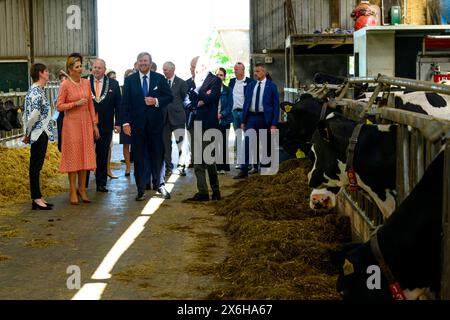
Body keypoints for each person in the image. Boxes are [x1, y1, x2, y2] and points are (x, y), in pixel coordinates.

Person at [121, 52, 173, 201]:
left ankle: (160, 184)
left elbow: (169, 96)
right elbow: (125, 103)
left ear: (150, 63)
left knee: (157, 155)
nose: (143, 63)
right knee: (139, 158)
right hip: (137, 127)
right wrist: (125, 123)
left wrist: (156, 100)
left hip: (156, 126)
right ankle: (141, 189)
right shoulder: (130, 80)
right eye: (140, 61)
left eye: (145, 61)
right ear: (137, 63)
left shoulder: (159, 78)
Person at [57, 53, 100, 205]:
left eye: (81, 66)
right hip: (71, 125)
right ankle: (72, 191)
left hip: (86, 124)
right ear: (70, 69)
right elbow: (59, 106)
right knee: (74, 157)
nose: (80, 69)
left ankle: (83, 189)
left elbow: (90, 105)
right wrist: (75, 104)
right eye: (77, 67)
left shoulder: (86, 83)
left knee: (85, 156)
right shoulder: (65, 85)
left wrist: (94, 124)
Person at [185, 56, 221, 202]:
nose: (194, 69)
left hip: (208, 124)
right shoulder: (188, 83)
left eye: (197, 66)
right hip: (193, 123)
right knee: (197, 159)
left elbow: (211, 98)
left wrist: (197, 94)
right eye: (192, 66)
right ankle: (203, 192)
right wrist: (198, 101)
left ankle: (216, 190)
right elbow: (186, 102)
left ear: (205, 66)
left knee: (208, 158)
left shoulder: (215, 80)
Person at [234, 63, 279, 179]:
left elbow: (276, 106)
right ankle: (244, 169)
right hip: (251, 118)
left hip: (264, 118)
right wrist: (243, 120)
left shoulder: (271, 86)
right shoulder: (251, 85)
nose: (255, 73)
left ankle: (265, 168)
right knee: (247, 142)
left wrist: (274, 124)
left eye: (258, 71)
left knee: (265, 143)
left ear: (264, 72)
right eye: (255, 71)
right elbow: (246, 104)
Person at [22, 63, 56, 210]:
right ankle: (36, 198)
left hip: (40, 132)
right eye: (46, 71)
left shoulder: (38, 90)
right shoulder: (36, 91)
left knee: (37, 166)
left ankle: (38, 196)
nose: (48, 73)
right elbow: (32, 115)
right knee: (35, 166)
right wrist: (27, 133)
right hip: (38, 133)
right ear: (41, 73)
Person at [88, 59, 122, 192]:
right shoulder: (85, 82)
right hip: (88, 124)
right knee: (87, 153)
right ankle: (83, 184)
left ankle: (101, 183)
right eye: (94, 67)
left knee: (102, 154)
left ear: (104, 69)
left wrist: (118, 123)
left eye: (99, 68)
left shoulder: (113, 84)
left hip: (106, 124)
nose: (96, 70)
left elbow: (118, 106)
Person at [162, 61, 188, 177]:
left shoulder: (181, 83)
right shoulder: (161, 82)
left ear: (172, 70)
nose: (164, 72)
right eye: (163, 70)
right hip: (164, 118)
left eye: (165, 70)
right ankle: (168, 167)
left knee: (180, 143)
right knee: (166, 144)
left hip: (178, 117)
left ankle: (181, 166)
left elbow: (184, 98)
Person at [228, 62, 255, 170]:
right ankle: (241, 162)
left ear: (243, 70)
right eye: (234, 69)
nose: (235, 71)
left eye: (237, 70)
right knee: (238, 136)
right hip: (235, 113)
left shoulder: (250, 82)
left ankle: (250, 162)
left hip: (245, 113)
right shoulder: (232, 82)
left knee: (248, 136)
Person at [215, 67, 233, 174]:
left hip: (225, 120)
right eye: (217, 75)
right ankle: (217, 167)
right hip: (213, 119)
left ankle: (224, 168)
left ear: (224, 77)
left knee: (224, 144)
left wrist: (221, 114)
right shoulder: (211, 90)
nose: (219, 77)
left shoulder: (228, 90)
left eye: (221, 75)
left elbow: (230, 105)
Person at [119, 68, 135, 176]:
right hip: (125, 119)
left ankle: (138, 166)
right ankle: (128, 167)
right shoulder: (121, 89)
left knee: (138, 144)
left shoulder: (139, 88)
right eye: (128, 76)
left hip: (137, 119)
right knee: (126, 145)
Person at [56, 71, 68, 152]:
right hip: (61, 114)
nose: (62, 82)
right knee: (61, 134)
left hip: (68, 114)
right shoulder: (59, 89)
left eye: (64, 79)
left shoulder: (70, 89)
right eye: (61, 80)